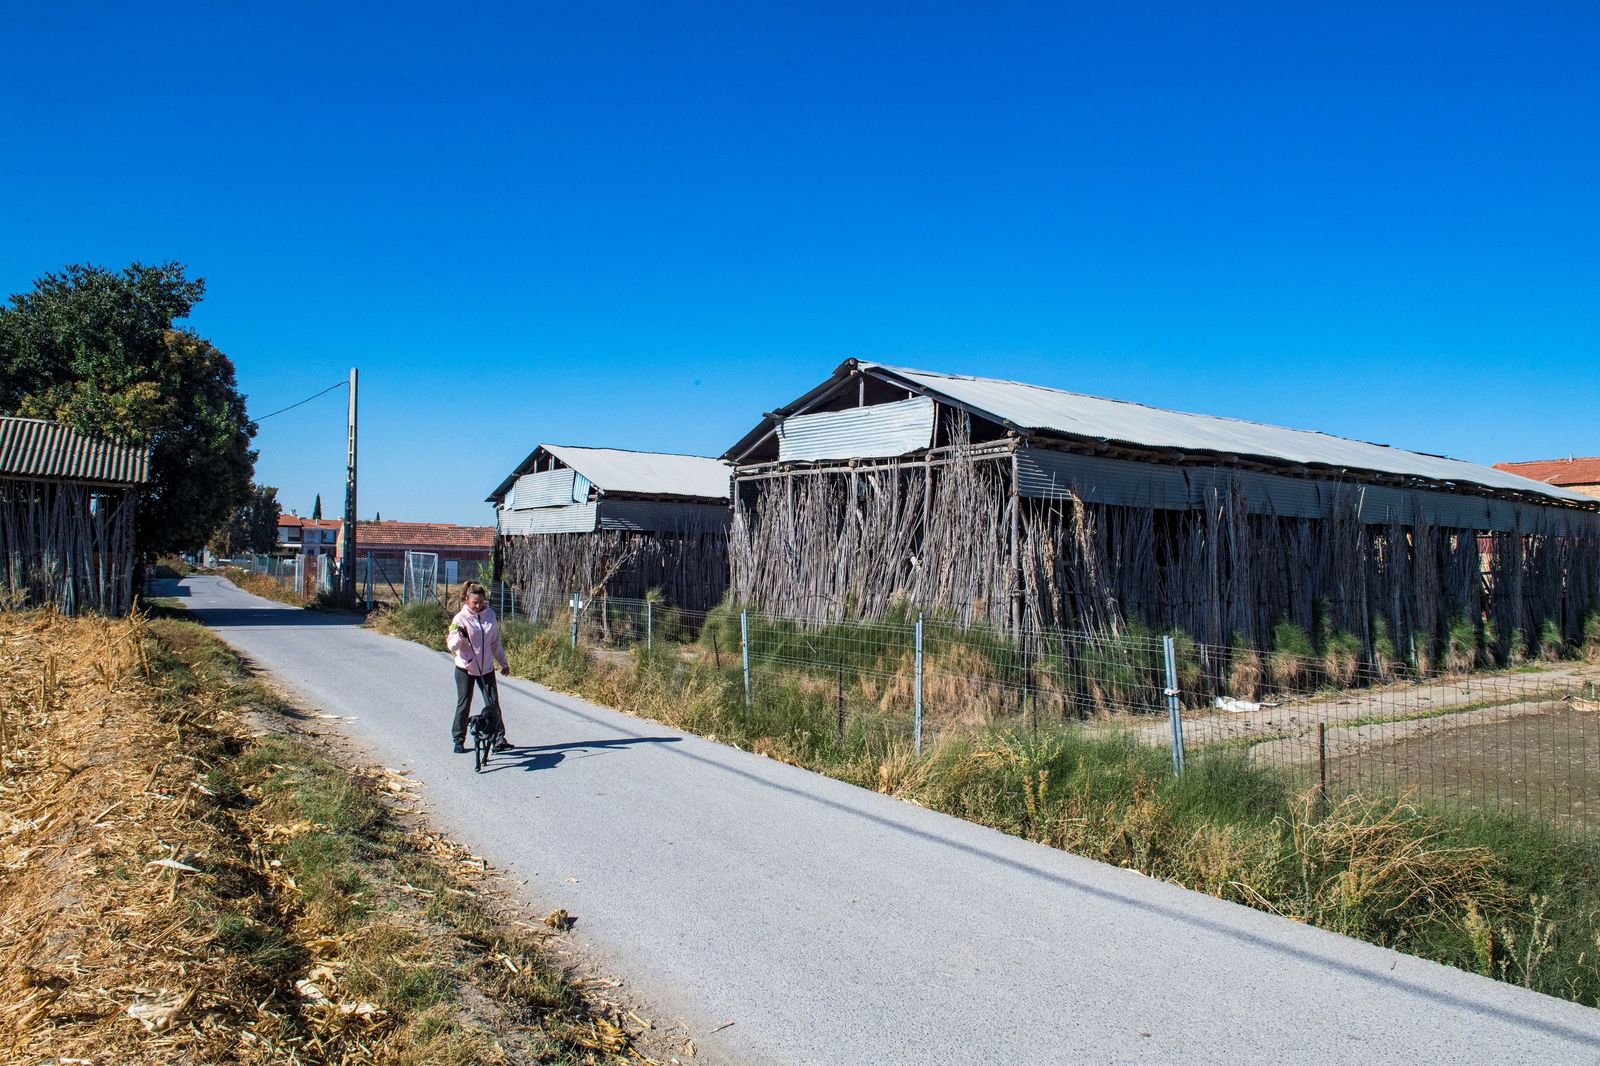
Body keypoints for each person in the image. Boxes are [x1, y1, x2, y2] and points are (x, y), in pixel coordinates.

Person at [446, 581, 513, 753]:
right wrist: (460, 637)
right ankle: (459, 739)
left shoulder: (490, 615)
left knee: (493, 705)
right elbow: (451, 645)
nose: (478, 605)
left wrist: (503, 662)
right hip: (466, 668)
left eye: (480, 602)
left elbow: (495, 642)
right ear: (467, 600)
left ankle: (499, 738)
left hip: (486, 669)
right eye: (474, 602)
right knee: (464, 703)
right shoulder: (460, 619)